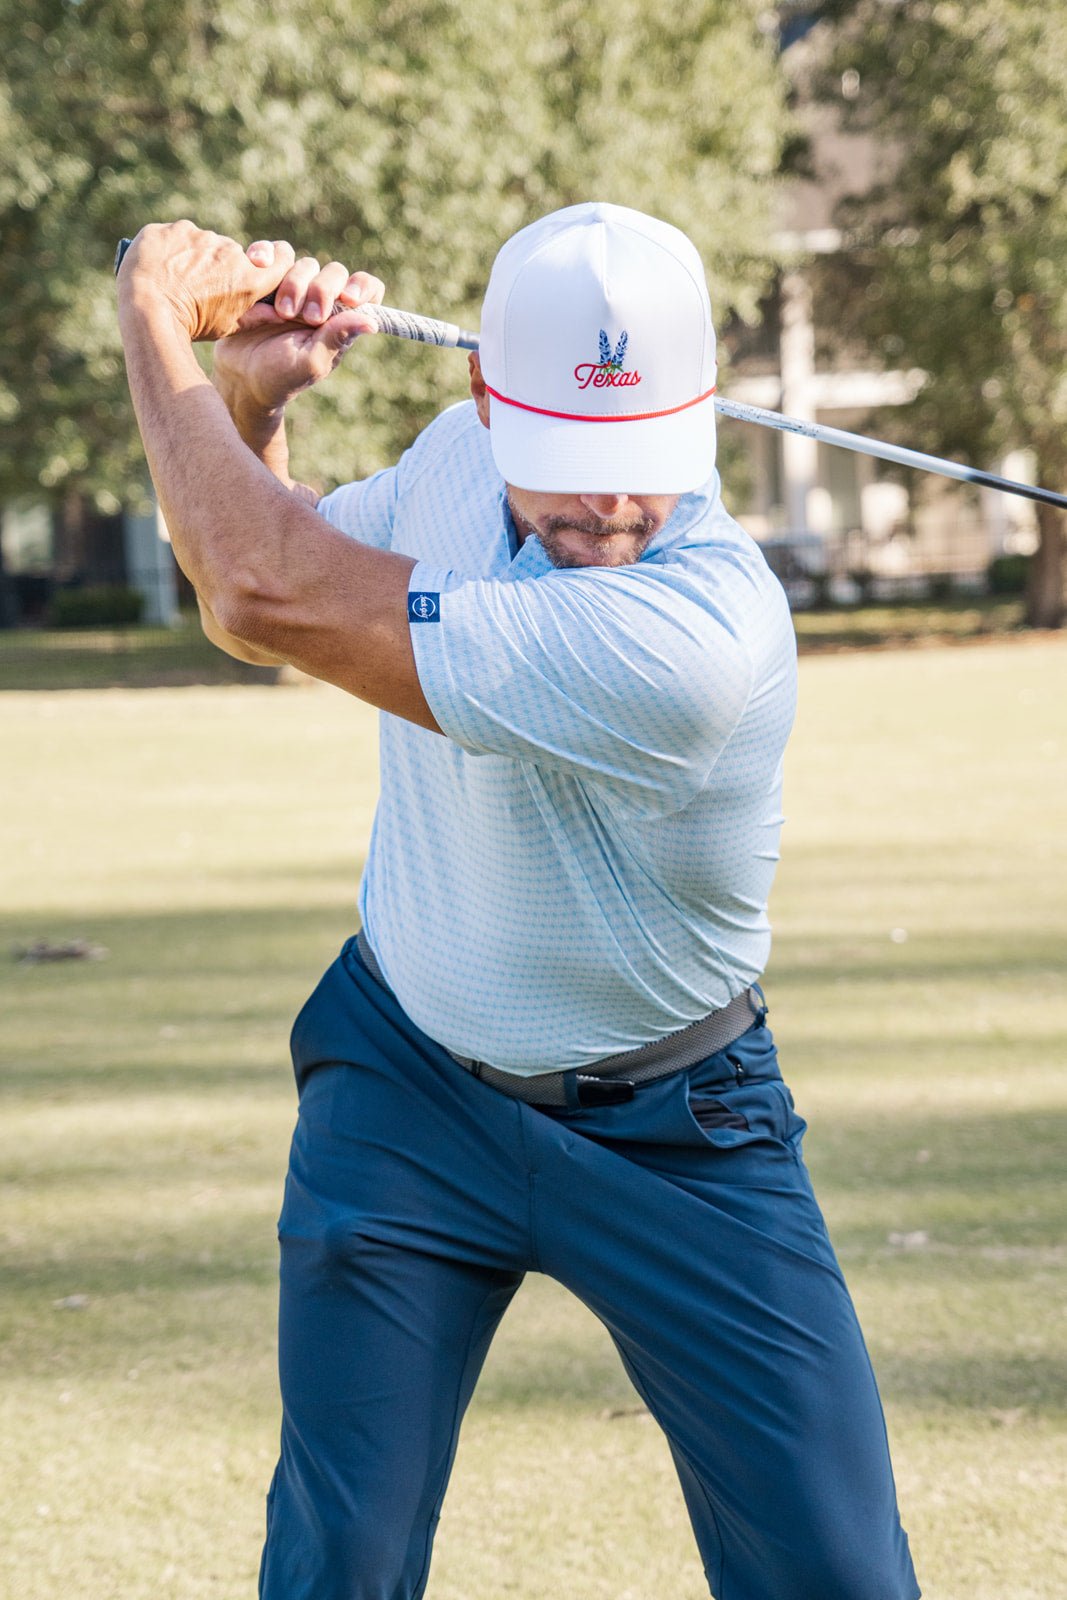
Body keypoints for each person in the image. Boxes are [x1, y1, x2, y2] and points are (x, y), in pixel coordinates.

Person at [117, 202, 920, 1600]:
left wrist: (150, 313)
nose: (606, 509)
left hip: (680, 1130)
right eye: (568, 465)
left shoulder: (698, 634)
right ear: (490, 400)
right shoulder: (449, 464)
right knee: (337, 1565)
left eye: (641, 468)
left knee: (840, 1578)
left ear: (703, 422)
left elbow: (267, 584)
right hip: (407, 1090)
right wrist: (243, 411)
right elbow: (241, 596)